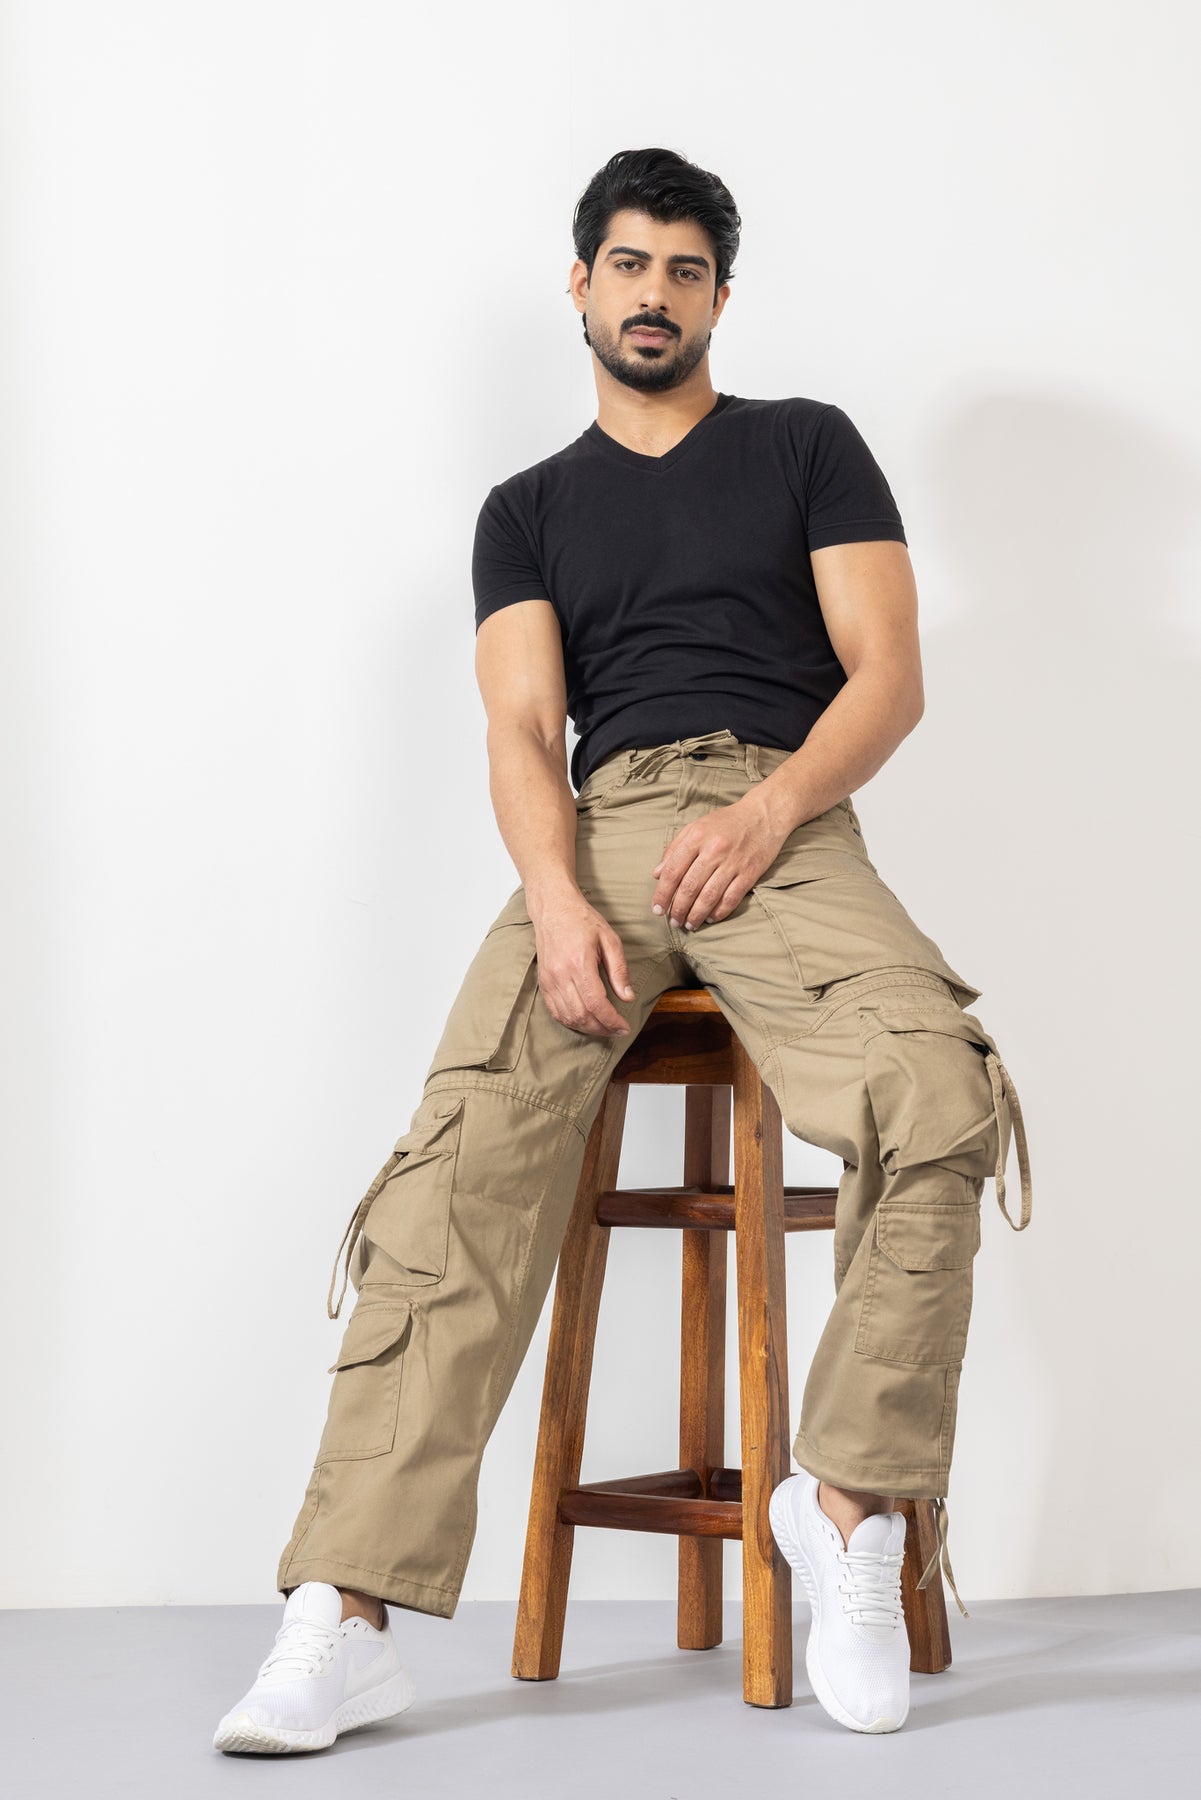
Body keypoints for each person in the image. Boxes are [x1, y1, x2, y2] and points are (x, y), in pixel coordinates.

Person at [214, 146, 1032, 1753]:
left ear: (720, 296)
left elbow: (886, 677)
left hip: (784, 816)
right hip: (596, 833)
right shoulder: (525, 511)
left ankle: (847, 1510)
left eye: (684, 270)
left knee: (939, 1090)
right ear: (580, 284)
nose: (654, 294)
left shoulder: (804, 445)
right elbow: (524, 730)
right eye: (629, 265)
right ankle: (343, 1616)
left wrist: (770, 810)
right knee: (453, 1174)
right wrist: (557, 894)